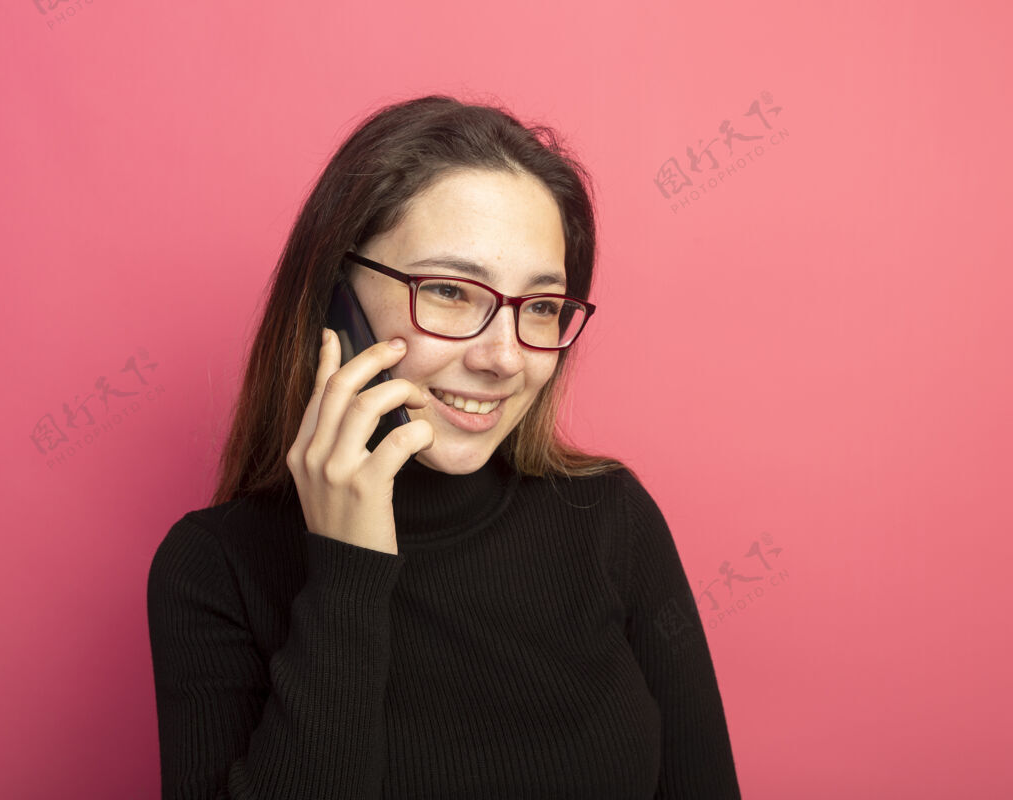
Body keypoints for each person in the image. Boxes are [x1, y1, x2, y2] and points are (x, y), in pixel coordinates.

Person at [147, 94, 742, 799]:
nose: (505, 358)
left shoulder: (611, 520)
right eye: (454, 293)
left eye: (542, 307)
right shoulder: (214, 569)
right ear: (337, 301)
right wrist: (348, 571)